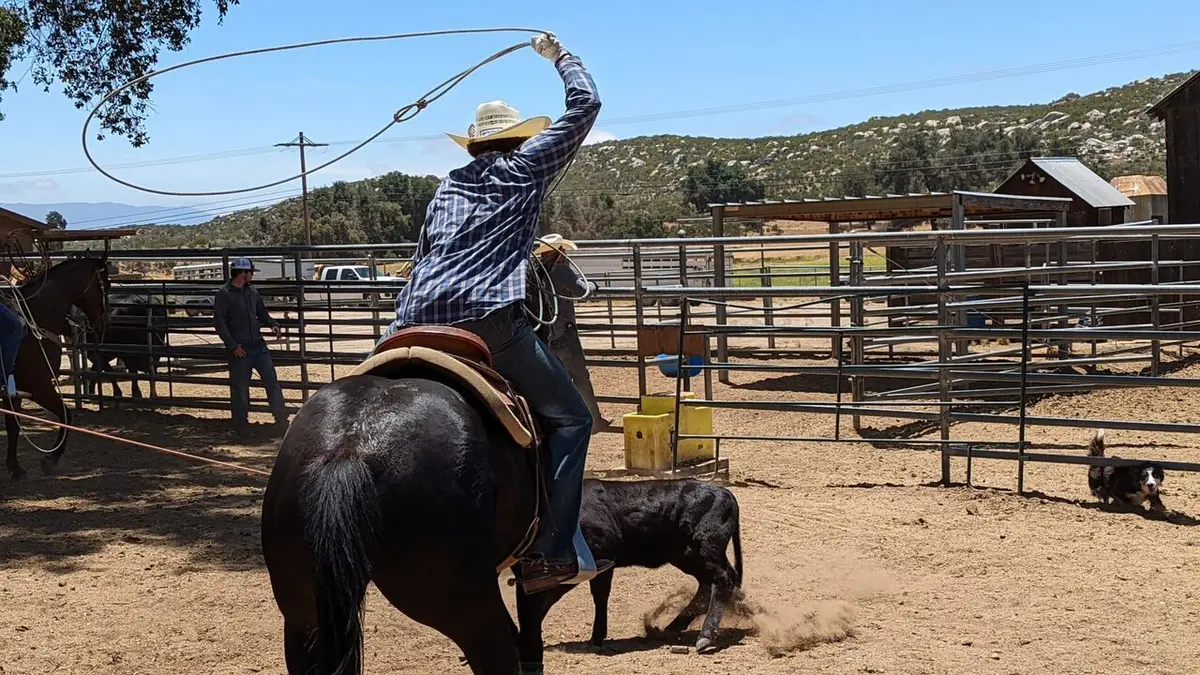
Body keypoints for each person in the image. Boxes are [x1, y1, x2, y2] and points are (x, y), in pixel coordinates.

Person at [382, 32, 611, 593]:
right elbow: (586, 105)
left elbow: (422, 257)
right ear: (516, 140)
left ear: (471, 147)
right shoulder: (524, 169)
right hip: (486, 317)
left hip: (412, 318)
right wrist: (561, 56)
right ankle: (551, 550)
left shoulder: (445, 187)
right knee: (571, 418)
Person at [530, 235, 611, 434]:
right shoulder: (561, 271)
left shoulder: (536, 272)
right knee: (580, 377)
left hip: (545, 334)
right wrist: (594, 285)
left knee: (553, 379)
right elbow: (583, 290)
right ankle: (594, 420)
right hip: (565, 334)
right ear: (559, 252)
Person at [213, 257, 288, 433]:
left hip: (257, 344)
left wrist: (272, 324)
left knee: (271, 381)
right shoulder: (224, 294)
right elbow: (219, 322)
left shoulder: (252, 292)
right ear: (243, 273)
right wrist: (233, 346)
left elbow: (261, 312)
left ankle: (281, 419)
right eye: (250, 272)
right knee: (240, 386)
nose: (252, 275)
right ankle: (241, 423)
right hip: (241, 347)